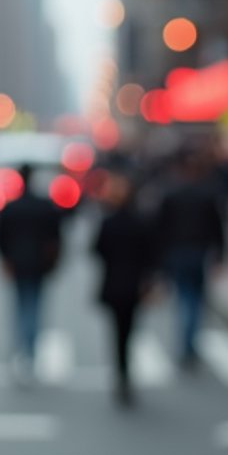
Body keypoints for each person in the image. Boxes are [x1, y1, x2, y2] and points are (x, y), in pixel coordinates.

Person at [155, 145, 228, 368]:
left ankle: (187, 344)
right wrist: (221, 255)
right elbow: (219, 229)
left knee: (185, 300)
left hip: (181, 252)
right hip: (196, 252)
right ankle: (190, 345)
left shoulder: (172, 193)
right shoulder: (206, 193)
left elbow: (160, 230)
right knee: (194, 300)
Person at [92, 174, 156, 407]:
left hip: (113, 284)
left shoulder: (108, 223)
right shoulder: (142, 222)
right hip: (134, 285)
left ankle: (121, 373)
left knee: (117, 332)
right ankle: (125, 373)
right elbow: (151, 255)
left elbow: (97, 250)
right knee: (129, 331)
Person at [0, 163, 62, 379]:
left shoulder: (12, 207)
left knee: (21, 306)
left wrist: (5, 259)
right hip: (39, 264)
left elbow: (0, 238)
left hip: (18, 263)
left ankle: (24, 348)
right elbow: (56, 238)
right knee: (34, 306)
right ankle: (29, 351)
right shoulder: (44, 206)